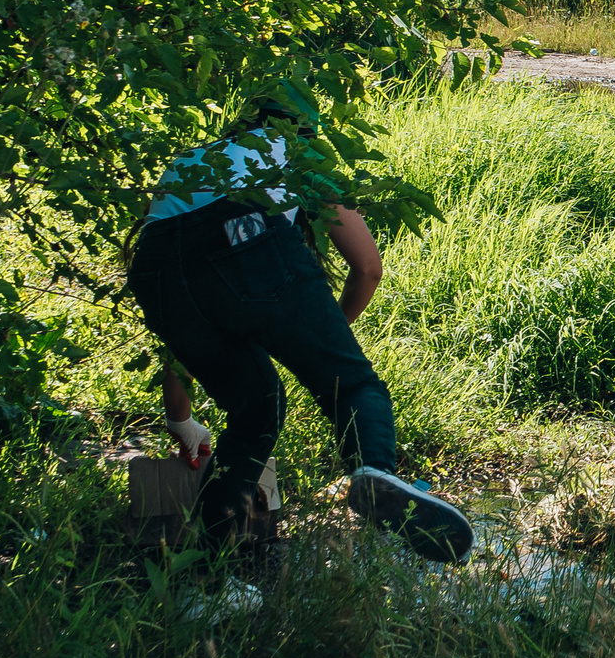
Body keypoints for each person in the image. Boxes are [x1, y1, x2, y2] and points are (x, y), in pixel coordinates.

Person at [128, 81, 474, 563]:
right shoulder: (294, 151)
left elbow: (188, 313)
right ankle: (375, 471)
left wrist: (180, 419)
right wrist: (325, 340)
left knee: (255, 412)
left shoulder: (192, 163)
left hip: (153, 271)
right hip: (251, 238)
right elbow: (368, 268)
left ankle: (210, 575)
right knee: (353, 384)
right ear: (303, 128)